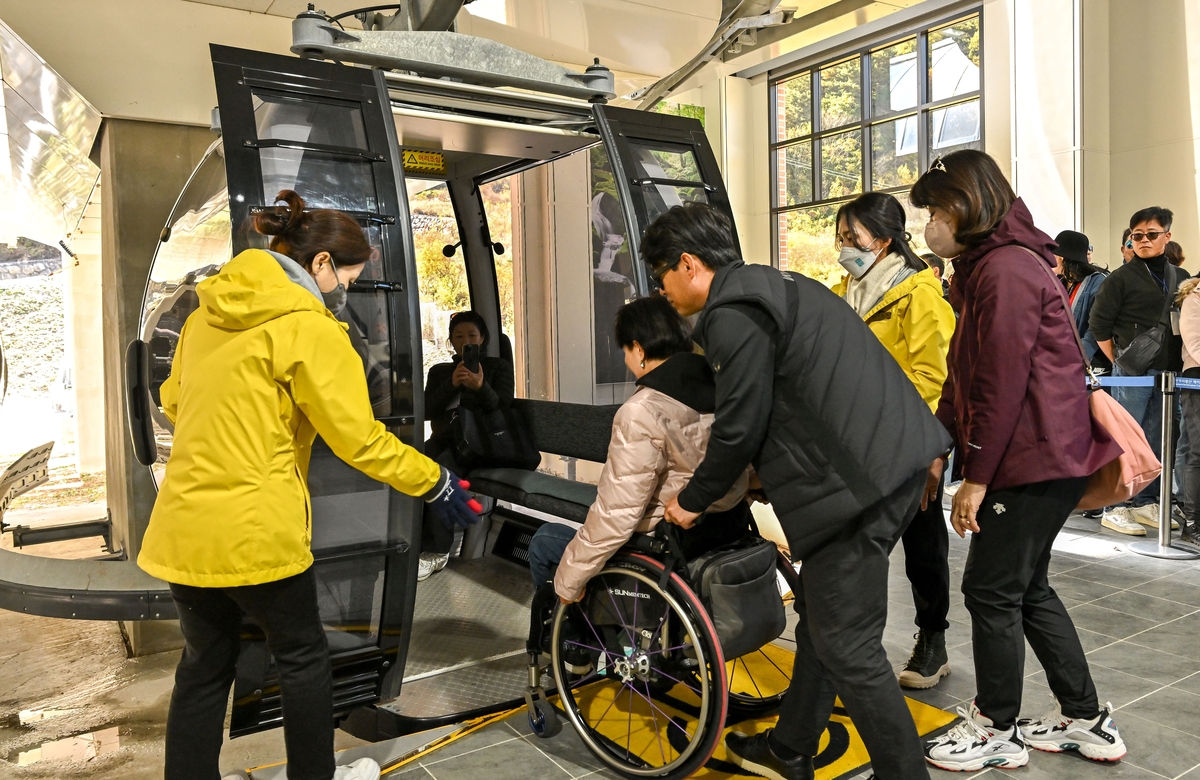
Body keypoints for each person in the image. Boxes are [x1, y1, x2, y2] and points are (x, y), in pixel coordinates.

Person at [138, 190, 481, 780]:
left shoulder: (202, 317)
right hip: (256, 534)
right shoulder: (309, 328)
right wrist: (436, 483)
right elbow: (359, 440)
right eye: (348, 275)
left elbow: (173, 400)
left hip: (183, 531)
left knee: (203, 668)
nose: (345, 289)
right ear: (320, 265)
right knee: (302, 659)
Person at [649, 202, 951, 780]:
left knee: (849, 644)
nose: (661, 290)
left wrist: (691, 500)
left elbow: (741, 423)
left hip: (858, 484)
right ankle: (791, 749)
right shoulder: (776, 285)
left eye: (662, 275)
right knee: (823, 615)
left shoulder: (731, 312)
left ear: (687, 264)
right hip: (891, 463)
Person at [910, 151, 1126, 772]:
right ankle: (1085, 720)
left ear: (967, 205)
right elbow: (963, 373)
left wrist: (974, 479)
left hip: (1031, 457)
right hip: (1040, 454)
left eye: (936, 210)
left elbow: (999, 384)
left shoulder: (1004, 269)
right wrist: (937, 446)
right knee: (1026, 589)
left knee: (990, 590)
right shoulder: (991, 266)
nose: (931, 224)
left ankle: (995, 727)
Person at [526, 295, 751, 605]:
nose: (625, 360)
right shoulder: (721, 391)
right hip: (721, 532)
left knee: (545, 542)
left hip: (662, 543)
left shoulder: (641, 412)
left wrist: (569, 581)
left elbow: (617, 516)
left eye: (625, 351)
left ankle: (569, 641)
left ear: (640, 350)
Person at [829, 193, 957, 691]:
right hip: (855, 444)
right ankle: (858, 642)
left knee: (922, 544)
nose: (843, 247)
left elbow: (934, 379)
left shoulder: (919, 294)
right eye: (839, 237)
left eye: (851, 238)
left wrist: (929, 449)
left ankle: (933, 638)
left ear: (882, 241)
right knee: (861, 550)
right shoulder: (847, 290)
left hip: (907, 442)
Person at [1090, 207, 1185, 535]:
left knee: (1159, 438)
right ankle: (1115, 505)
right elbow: (1098, 325)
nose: (1143, 241)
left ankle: (1146, 501)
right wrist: (1121, 361)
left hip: (1170, 373)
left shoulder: (1180, 278)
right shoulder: (1120, 278)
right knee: (1126, 437)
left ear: (1167, 237)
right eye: (1137, 236)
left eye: (1151, 234)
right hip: (1133, 374)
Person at [418, 311, 515, 581]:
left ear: (482, 338)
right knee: (409, 464)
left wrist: (481, 386)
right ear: (450, 341)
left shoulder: (498, 368)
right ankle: (409, 541)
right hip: (443, 441)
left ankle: (436, 551)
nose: (465, 341)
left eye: (471, 335)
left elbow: (504, 409)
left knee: (441, 471)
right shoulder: (440, 372)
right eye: (458, 336)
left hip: (480, 446)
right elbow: (427, 410)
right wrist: (451, 385)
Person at [1053, 230, 1111, 372]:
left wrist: (1075, 359)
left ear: (1062, 258)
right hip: (1063, 360)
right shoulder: (1060, 281)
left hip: (1091, 364)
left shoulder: (1098, 282)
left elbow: (1096, 329)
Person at [1177, 277, 1200, 549]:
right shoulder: (1194, 296)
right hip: (1196, 378)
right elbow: (1194, 342)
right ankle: (1192, 522)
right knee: (1197, 451)